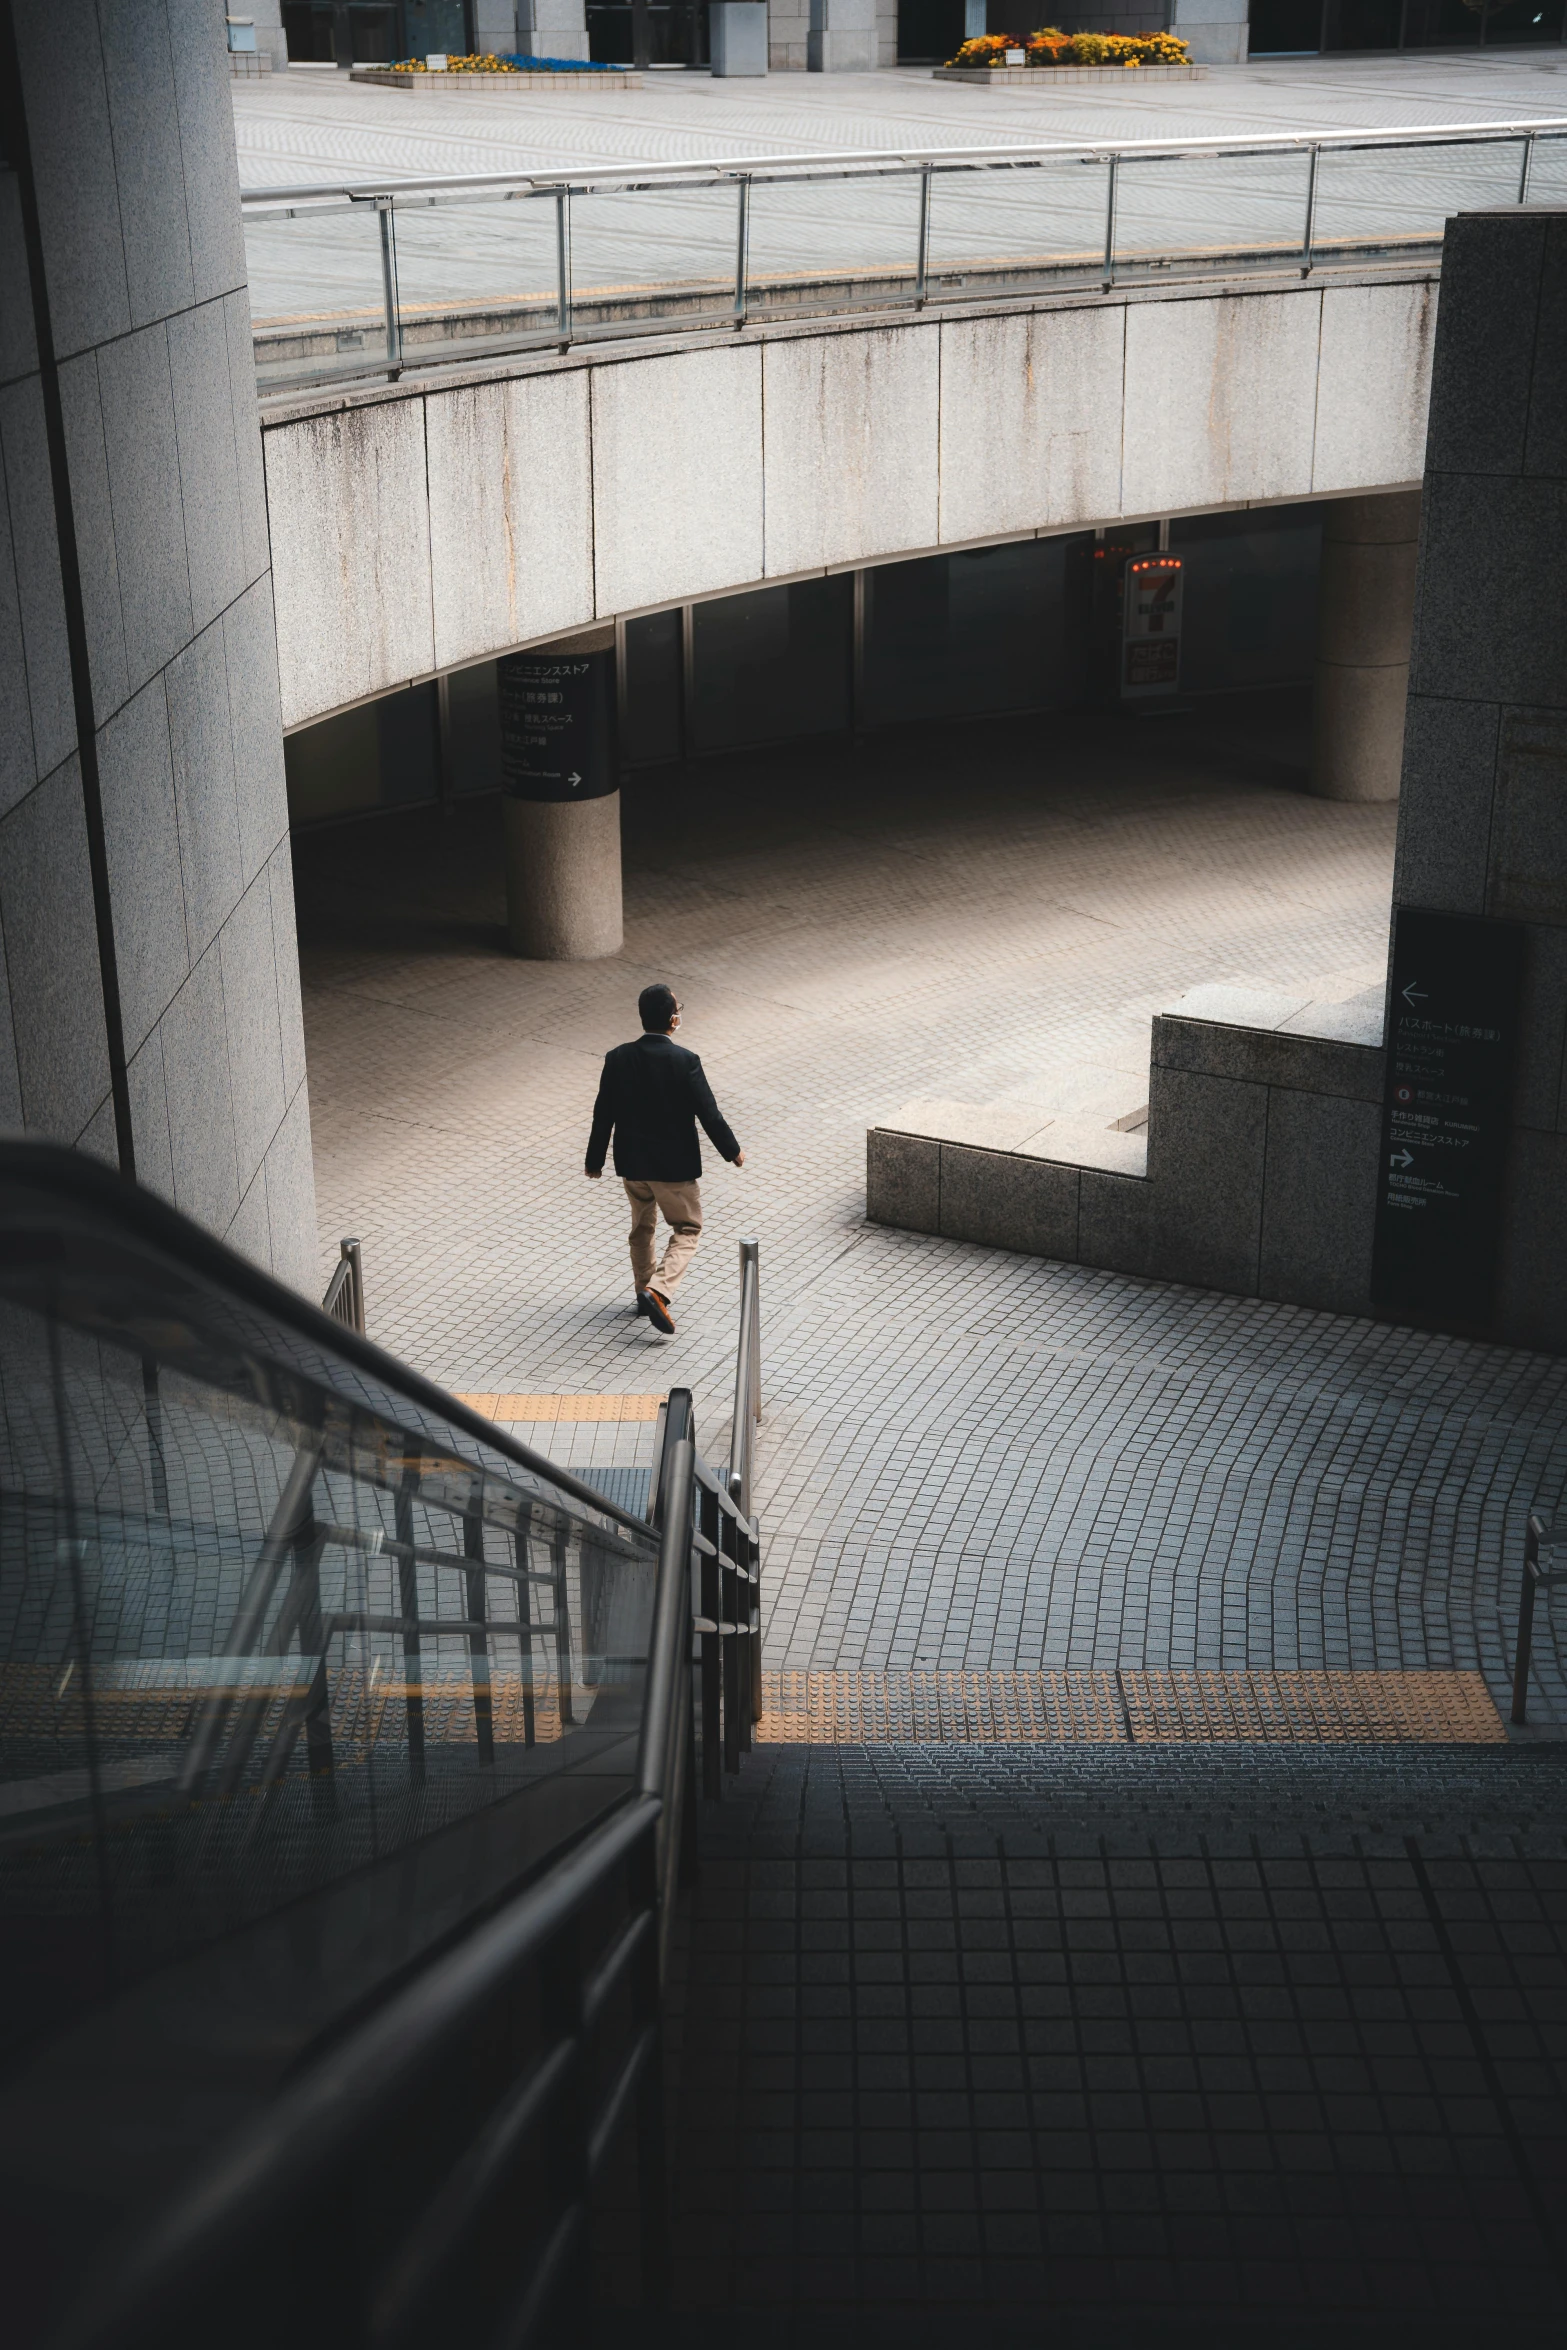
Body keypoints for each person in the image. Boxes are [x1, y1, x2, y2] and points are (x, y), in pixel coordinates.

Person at [584, 983, 745, 1334]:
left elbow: (603, 1113)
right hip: (674, 1169)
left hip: (633, 1165)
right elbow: (708, 1112)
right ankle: (659, 1290)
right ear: (673, 1019)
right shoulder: (685, 1061)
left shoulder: (618, 1058)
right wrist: (732, 1151)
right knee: (688, 1228)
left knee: (642, 1228)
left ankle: (644, 1290)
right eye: (679, 1008)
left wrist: (594, 1161)